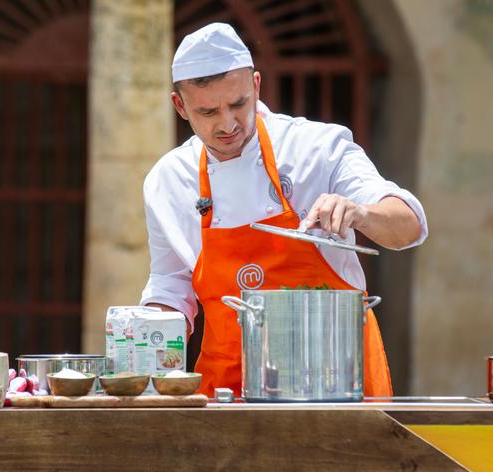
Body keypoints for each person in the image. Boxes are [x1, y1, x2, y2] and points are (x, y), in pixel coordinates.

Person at [140, 23, 428, 398]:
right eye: (208, 111)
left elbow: (407, 225)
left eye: (238, 104)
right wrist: (144, 357)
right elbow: (171, 287)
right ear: (180, 106)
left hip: (335, 379)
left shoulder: (316, 148)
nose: (227, 123)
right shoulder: (168, 180)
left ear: (256, 86)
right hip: (230, 384)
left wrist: (360, 213)